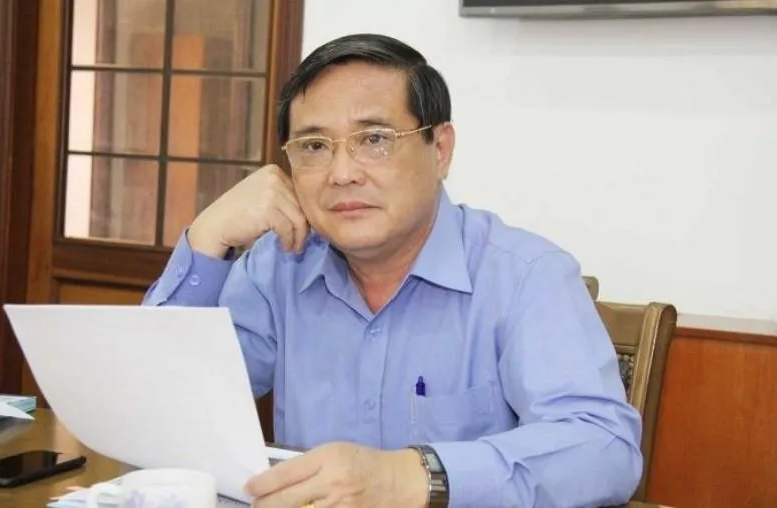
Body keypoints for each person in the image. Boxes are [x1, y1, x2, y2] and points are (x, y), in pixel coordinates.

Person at [143, 33, 642, 508]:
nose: (342, 173)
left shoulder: (525, 276)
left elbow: (605, 448)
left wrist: (414, 475)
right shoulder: (278, 267)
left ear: (440, 150)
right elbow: (158, 411)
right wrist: (207, 238)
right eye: (314, 147)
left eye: (375, 139)